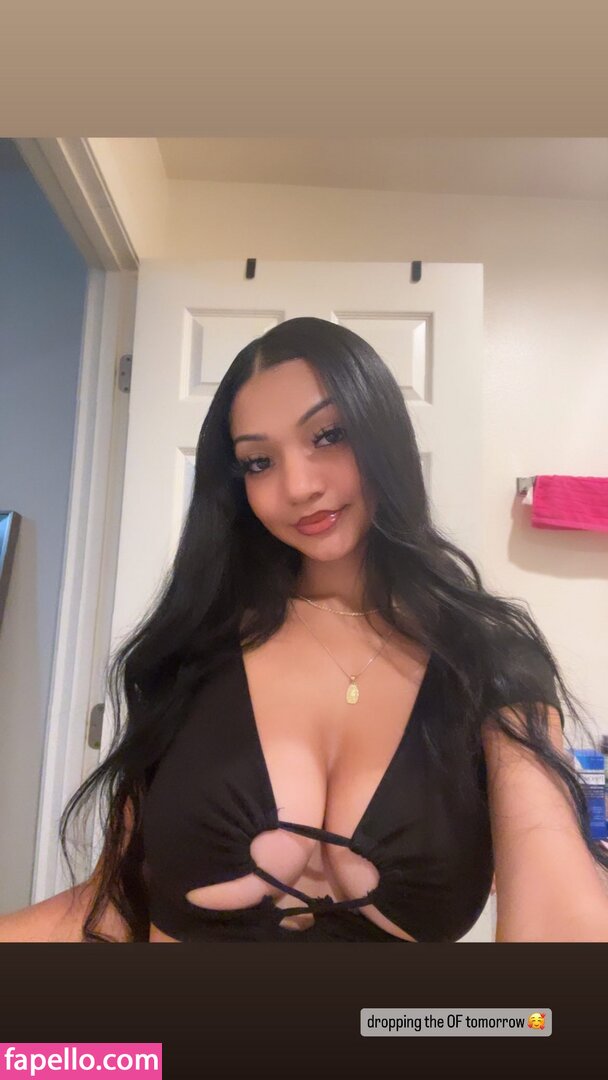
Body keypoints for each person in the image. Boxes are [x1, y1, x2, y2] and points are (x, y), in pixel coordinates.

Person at [2, 316, 607, 943]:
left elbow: (559, 921)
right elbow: (111, 909)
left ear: (383, 436)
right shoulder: (188, 654)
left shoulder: (492, 660)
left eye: (329, 436)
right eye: (259, 461)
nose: (298, 486)